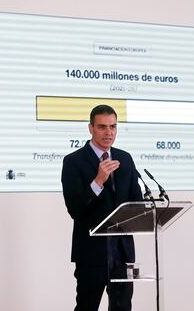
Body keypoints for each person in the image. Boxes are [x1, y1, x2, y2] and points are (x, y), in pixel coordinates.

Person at [61, 104, 142, 311]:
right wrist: (98, 181)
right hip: (91, 253)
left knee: (122, 307)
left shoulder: (125, 158)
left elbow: (136, 202)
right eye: (102, 127)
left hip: (122, 254)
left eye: (113, 127)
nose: (109, 133)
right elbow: (74, 209)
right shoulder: (73, 161)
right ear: (90, 128)